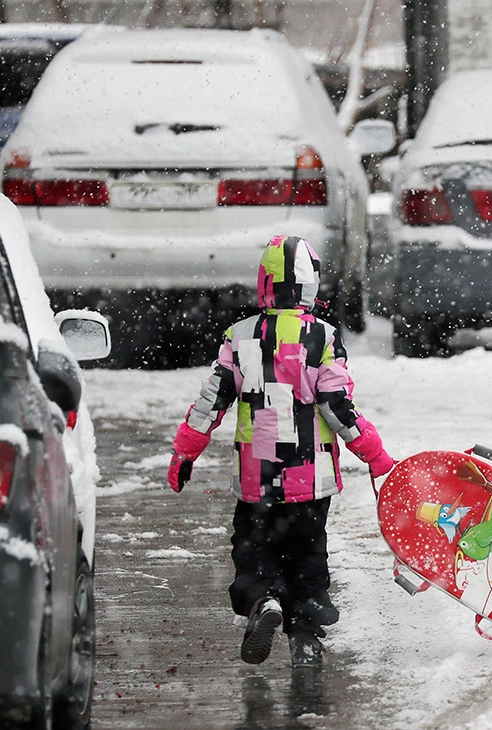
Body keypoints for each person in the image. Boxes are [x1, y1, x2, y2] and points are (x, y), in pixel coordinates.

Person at [166, 234, 394, 667]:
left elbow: (211, 401)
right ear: (312, 286)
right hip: (309, 478)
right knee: (308, 554)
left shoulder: (239, 337)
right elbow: (336, 405)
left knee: (253, 548)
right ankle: (305, 634)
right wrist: (375, 454)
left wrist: (185, 451)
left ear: (264, 284)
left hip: (257, 477)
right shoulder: (323, 338)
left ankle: (263, 599)